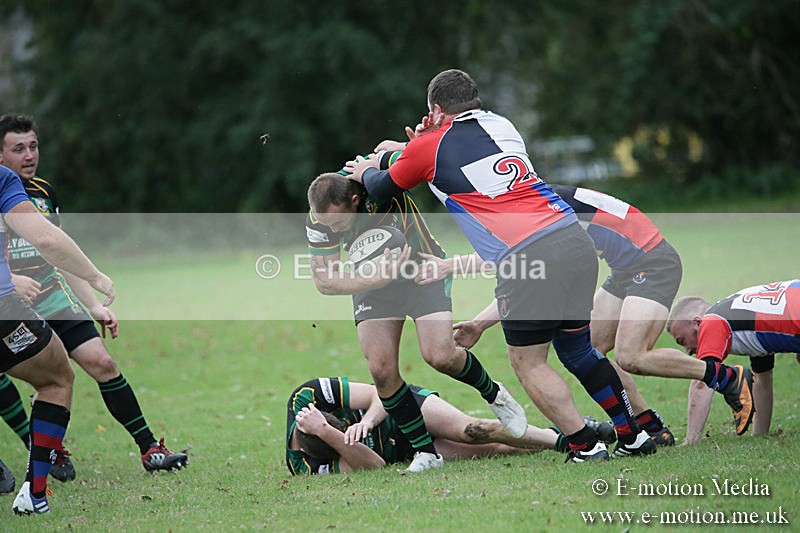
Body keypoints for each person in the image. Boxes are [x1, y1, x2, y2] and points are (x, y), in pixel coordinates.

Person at [346, 69, 658, 462]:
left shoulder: (429, 147)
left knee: (528, 362)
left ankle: (585, 445)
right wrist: (418, 145)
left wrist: (367, 170)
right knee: (578, 350)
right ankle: (633, 436)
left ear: (436, 110)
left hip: (528, 254)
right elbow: (450, 157)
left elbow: (382, 185)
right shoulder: (500, 124)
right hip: (573, 240)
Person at [0, 115, 188, 481]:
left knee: (101, 361)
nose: (29, 155)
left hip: (51, 295)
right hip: (11, 302)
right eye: (18, 148)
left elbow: (57, 249)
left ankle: (149, 448)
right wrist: (11, 280)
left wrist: (93, 304)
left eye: (33, 146)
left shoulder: (44, 192)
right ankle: (40, 450)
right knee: (33, 376)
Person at [306, 167, 527, 472]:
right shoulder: (319, 219)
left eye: (338, 223)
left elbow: (420, 160)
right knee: (381, 369)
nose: (334, 230)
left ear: (355, 200)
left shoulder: (376, 181)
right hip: (372, 281)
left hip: (424, 269)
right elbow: (325, 281)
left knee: (440, 356)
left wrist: (388, 153)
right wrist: (375, 280)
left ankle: (494, 393)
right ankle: (426, 452)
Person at [437, 184, 680, 446]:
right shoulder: (542, 195)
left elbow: (513, 264)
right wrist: (478, 322)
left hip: (648, 262)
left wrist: (452, 266)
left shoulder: (537, 211)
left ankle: (712, 375)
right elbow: (518, 269)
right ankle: (640, 429)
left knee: (614, 356)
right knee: (587, 352)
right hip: (615, 268)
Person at [0, 162, 114, 515]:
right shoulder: (3, 180)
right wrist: (94, 276)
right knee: (56, 379)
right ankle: (34, 495)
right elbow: (47, 238)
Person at [286, 377, 614, 474]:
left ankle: (574, 439)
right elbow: (376, 466)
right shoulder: (305, 466)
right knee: (497, 449)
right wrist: (330, 433)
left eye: (342, 424)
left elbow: (381, 392)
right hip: (404, 450)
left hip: (401, 407)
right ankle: (575, 432)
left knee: (470, 430)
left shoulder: (309, 395)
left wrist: (368, 421)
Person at [667, 280, 800, 445]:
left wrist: (690, 440)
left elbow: (702, 383)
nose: (687, 351)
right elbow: (763, 378)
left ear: (697, 323)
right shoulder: (743, 317)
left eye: (682, 341)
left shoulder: (711, 321)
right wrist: (759, 436)